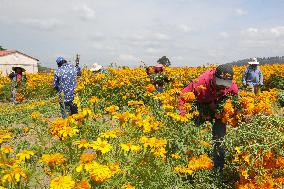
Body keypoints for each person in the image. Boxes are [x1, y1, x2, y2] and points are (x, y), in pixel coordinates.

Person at [179, 64, 238, 171]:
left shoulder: (232, 87)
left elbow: (236, 103)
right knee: (189, 132)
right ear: (214, 77)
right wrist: (182, 117)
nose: (222, 87)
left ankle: (218, 168)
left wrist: (236, 114)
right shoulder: (201, 82)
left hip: (220, 111)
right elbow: (182, 96)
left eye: (225, 85)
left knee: (219, 137)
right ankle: (187, 163)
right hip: (201, 107)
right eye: (220, 83)